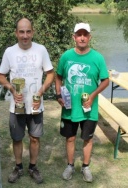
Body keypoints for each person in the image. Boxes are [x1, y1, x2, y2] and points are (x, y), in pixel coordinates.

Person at [0, 17, 55, 184]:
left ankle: (33, 167)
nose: (25, 35)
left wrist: (41, 93)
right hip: (17, 104)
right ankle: (18, 167)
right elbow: (1, 76)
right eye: (21, 32)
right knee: (17, 138)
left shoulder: (41, 50)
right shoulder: (9, 52)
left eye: (28, 31)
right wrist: (12, 89)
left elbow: (50, 73)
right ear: (16, 33)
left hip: (36, 104)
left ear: (33, 32)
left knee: (35, 137)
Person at [55, 23, 109, 183]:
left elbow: (105, 80)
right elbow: (58, 77)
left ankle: (85, 166)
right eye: (79, 34)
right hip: (70, 108)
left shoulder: (98, 58)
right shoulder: (66, 56)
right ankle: (70, 166)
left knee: (88, 139)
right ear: (74, 37)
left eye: (85, 34)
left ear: (89, 37)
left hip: (88, 108)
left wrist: (92, 96)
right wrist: (59, 94)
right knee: (70, 138)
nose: (82, 37)